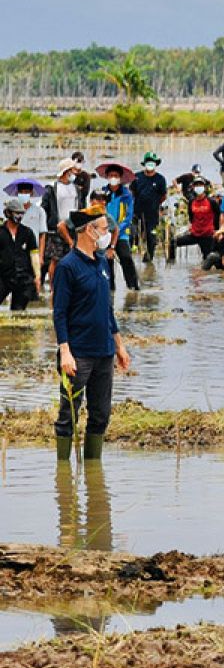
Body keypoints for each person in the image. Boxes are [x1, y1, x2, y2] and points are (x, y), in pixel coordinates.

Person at [52, 205, 132, 461]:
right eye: (104, 229)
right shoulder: (68, 266)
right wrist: (65, 351)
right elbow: (59, 313)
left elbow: (107, 310)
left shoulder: (102, 263)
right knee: (69, 415)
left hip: (104, 352)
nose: (108, 234)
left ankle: (93, 474)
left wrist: (119, 345)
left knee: (100, 415)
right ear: (89, 230)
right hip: (78, 354)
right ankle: (63, 475)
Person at [41, 158, 86, 289]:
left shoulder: (76, 189)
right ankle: (53, 287)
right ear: (66, 171)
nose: (75, 173)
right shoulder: (52, 188)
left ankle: (70, 286)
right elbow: (45, 208)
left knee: (73, 258)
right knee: (55, 259)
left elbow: (81, 207)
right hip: (56, 229)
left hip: (73, 228)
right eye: (72, 170)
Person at [103, 167, 139, 292]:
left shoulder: (126, 195)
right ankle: (109, 289)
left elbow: (128, 217)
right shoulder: (103, 193)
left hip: (122, 233)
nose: (113, 177)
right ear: (107, 176)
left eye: (116, 175)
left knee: (126, 258)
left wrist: (117, 230)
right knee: (107, 262)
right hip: (105, 233)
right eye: (111, 175)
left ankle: (133, 286)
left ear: (120, 178)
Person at [0, 198, 39, 310]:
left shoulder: (27, 233)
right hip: (3, 276)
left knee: (18, 311)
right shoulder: (1, 232)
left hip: (23, 278)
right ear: (8, 213)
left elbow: (34, 255)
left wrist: (37, 276)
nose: (20, 216)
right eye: (17, 213)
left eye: (22, 213)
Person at [131, 152, 167, 263]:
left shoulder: (160, 179)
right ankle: (134, 252)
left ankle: (149, 257)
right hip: (137, 211)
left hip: (152, 213)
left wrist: (155, 204)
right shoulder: (137, 177)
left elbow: (163, 196)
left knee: (151, 237)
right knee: (133, 234)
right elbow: (132, 193)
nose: (150, 164)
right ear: (144, 163)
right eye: (148, 162)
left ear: (155, 164)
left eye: (152, 162)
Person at [174, 176, 221, 259]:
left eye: (200, 185)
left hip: (207, 235)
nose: (198, 187)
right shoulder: (192, 202)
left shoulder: (211, 202)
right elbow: (191, 217)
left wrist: (217, 231)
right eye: (196, 185)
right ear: (193, 187)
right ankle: (171, 266)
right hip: (195, 234)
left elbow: (218, 216)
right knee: (173, 242)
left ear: (204, 187)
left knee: (207, 259)